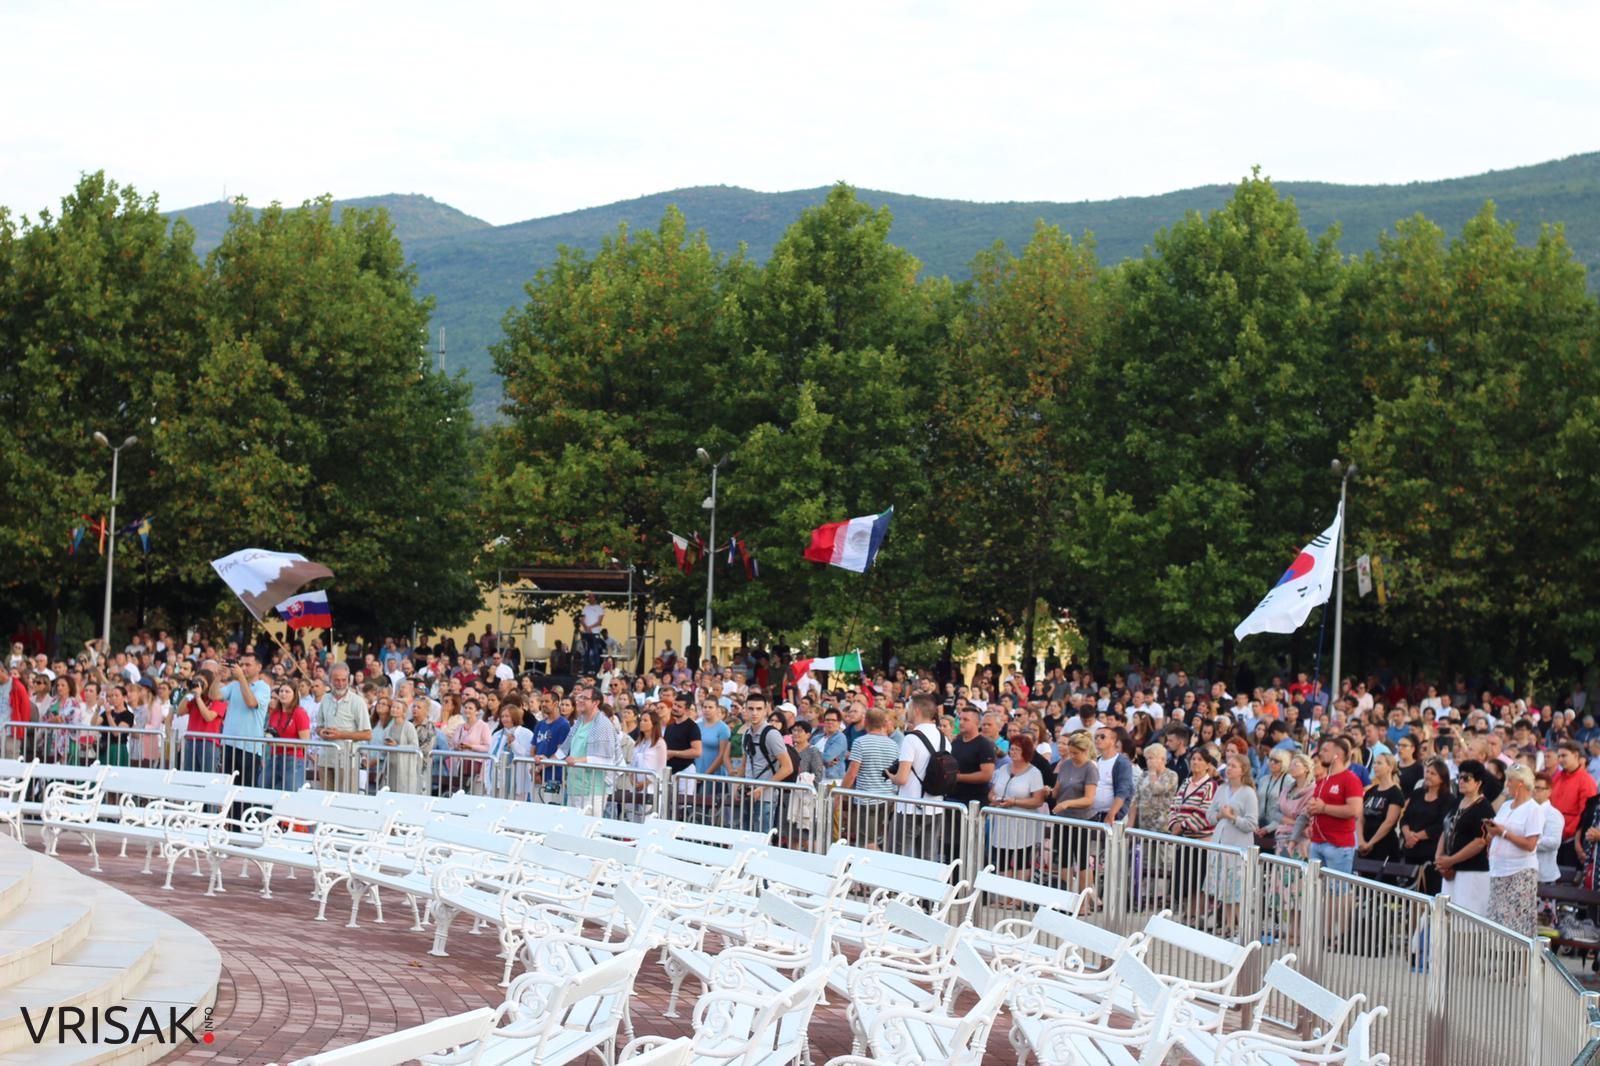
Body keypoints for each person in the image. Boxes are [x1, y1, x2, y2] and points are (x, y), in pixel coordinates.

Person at [888, 695, 949, 860]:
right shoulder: (944, 738)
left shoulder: (911, 738)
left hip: (909, 806)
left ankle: (898, 886)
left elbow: (901, 778)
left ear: (916, 710)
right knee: (927, 857)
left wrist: (889, 774)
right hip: (935, 806)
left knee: (899, 856)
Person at [1485, 764, 1543, 936]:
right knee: (1497, 920)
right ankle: (1499, 959)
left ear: (1520, 783)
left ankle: (1517, 960)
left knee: (1515, 922)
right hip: (1498, 870)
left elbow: (1530, 844)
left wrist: (1503, 832)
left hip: (1519, 872)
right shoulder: (1505, 806)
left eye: (1510, 780)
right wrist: (1492, 832)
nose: (1506, 784)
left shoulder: (1534, 809)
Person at [1206, 751, 1259, 935]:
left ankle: (1240, 927)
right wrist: (1220, 815)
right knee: (1225, 891)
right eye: (1228, 765)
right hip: (1220, 845)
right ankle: (1228, 925)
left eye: (1233, 766)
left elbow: (1252, 823)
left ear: (1243, 770)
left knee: (1236, 892)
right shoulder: (1221, 789)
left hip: (1238, 847)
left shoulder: (1248, 793)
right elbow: (1210, 815)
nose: (1229, 769)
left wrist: (1233, 818)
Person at [1435, 760, 1496, 916]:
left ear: (1478, 782)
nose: (1461, 781)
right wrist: (1439, 858)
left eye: (1466, 778)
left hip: (1471, 872)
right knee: (1446, 917)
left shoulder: (1484, 807)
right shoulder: (1457, 802)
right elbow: (1446, 829)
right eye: (1459, 777)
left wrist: (1451, 860)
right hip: (1451, 870)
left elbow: (1480, 842)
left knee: (1466, 923)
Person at [988, 733, 1048, 876]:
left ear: (1026, 752)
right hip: (1003, 822)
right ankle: (1003, 897)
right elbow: (991, 793)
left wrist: (1014, 802)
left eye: (1017, 750)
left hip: (1023, 824)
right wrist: (995, 799)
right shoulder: (1002, 770)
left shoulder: (1034, 773)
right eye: (1012, 749)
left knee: (1022, 861)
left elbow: (1038, 800)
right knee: (1002, 860)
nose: (1013, 753)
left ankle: (1018, 897)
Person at [555, 689, 621, 817]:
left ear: (596, 702)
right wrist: (543, 761)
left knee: (588, 830)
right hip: (574, 786)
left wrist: (576, 760)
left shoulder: (603, 724)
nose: (580, 700)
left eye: (585, 698)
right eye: (579, 697)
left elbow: (605, 759)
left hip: (592, 790)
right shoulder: (579, 722)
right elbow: (563, 750)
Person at [841, 707, 900, 847]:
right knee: (872, 840)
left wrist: (839, 793)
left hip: (867, 799)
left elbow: (852, 773)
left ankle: (880, 867)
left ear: (866, 722)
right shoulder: (893, 745)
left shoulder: (860, 742)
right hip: (887, 798)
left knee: (866, 842)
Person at [1050, 732, 1100, 892]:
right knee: (1064, 859)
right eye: (1070, 752)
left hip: (1082, 820)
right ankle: (1068, 896)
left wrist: (1067, 803)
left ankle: (1084, 899)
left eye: (1075, 753)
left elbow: (1089, 799)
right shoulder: (1065, 765)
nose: (1072, 756)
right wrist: (1050, 792)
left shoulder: (1090, 768)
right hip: (1063, 819)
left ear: (1085, 751)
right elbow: (1058, 789)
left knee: (1082, 860)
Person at [1307, 736, 1363, 876]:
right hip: (1317, 842)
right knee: (1316, 889)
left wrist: (1324, 808)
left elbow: (1355, 810)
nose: (1320, 753)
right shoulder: (1323, 780)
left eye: (1325, 750)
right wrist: (1311, 810)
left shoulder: (1350, 779)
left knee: (1338, 893)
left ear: (1337, 755)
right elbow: (1317, 807)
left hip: (1338, 845)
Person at [218, 653, 270, 791]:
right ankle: (230, 814)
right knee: (228, 789)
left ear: (259, 667)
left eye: (248, 665)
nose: (243, 668)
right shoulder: (234, 685)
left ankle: (247, 813)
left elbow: (251, 702)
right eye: (242, 665)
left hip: (249, 747)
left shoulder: (263, 687)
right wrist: (218, 675)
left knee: (246, 791)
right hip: (229, 744)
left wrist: (241, 678)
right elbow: (214, 695)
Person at [316, 662, 370, 791]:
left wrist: (341, 735)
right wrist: (321, 732)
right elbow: (318, 726)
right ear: (330, 681)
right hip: (326, 758)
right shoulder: (325, 699)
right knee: (326, 800)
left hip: (347, 761)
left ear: (349, 680)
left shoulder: (357, 701)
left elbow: (367, 734)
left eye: (343, 680)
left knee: (345, 801)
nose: (340, 683)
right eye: (336, 680)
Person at [1398, 758, 1452, 869]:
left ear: (1442, 778)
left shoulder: (1448, 799)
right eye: (1427, 772)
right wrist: (1407, 835)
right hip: (1410, 850)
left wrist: (1415, 837)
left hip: (1431, 854)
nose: (1428, 776)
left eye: (1433, 774)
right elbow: (1405, 818)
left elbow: (1441, 826)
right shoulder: (1417, 793)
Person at [1550, 740, 1597, 868]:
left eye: (1564, 755)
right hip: (1554, 835)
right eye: (1558, 756)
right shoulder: (1557, 777)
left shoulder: (1586, 781)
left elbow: (1585, 814)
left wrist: (1568, 832)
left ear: (1576, 755)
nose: (1560, 759)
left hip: (1572, 839)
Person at [1358, 753, 1406, 866]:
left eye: (1379, 763)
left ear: (1390, 767)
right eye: (1374, 763)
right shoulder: (1371, 791)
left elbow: (1389, 822)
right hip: (1365, 841)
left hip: (1384, 845)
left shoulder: (1395, 793)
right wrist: (1361, 841)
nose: (1375, 766)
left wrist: (1370, 843)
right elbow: (1360, 818)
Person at [265, 682, 312, 790]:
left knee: (290, 794)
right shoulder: (275, 713)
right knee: (265, 789)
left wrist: (278, 743)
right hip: (274, 757)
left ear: (294, 695)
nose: (283, 694)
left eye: (287, 691)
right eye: (281, 691)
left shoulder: (300, 713)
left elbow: (305, 743)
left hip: (293, 759)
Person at [488, 705, 533, 799]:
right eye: (502, 716)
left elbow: (527, 754)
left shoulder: (526, 733)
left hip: (519, 777)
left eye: (507, 716)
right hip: (498, 778)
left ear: (515, 716)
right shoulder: (497, 734)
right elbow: (491, 756)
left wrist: (513, 742)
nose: (504, 719)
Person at [1131, 744, 1178, 831]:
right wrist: (1130, 824)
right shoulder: (1144, 775)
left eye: (1151, 758)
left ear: (1162, 759)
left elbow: (1157, 789)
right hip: (1143, 826)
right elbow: (1135, 799)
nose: (1148, 761)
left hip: (1162, 827)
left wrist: (1153, 773)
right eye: (1147, 759)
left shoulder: (1171, 775)